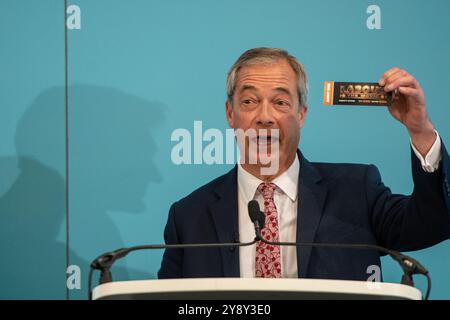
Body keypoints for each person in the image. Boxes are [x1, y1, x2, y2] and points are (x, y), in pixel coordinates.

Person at [158, 47, 450, 280]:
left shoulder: (356, 191)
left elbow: (434, 223)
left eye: (281, 102)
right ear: (229, 114)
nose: (264, 116)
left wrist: (419, 129)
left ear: (302, 115)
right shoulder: (188, 217)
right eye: (249, 102)